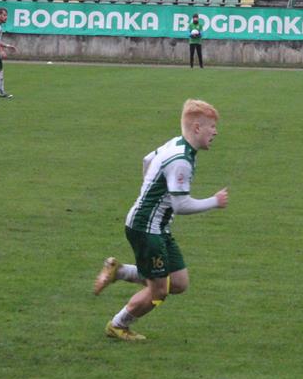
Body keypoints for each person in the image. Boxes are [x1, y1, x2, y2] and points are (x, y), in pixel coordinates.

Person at [94, 99, 228, 341]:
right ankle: (118, 325)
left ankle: (119, 271)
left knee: (178, 282)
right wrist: (214, 201)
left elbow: (147, 160)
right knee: (159, 291)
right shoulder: (181, 160)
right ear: (197, 128)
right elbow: (181, 205)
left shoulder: (176, 143)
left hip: (156, 226)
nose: (215, 132)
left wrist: (150, 191)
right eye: (212, 127)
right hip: (146, 228)